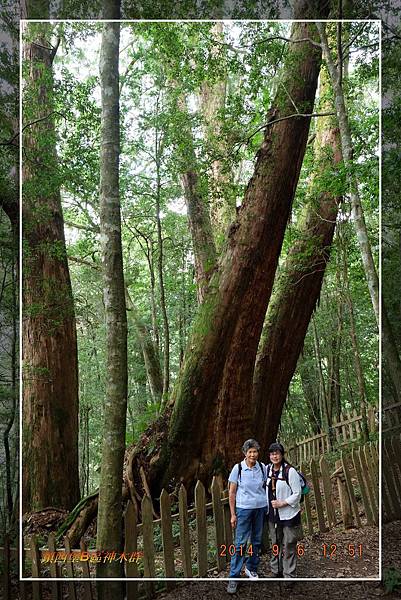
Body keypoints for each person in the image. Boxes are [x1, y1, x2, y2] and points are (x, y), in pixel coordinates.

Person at [226, 439, 267, 594]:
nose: (253, 454)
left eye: (255, 451)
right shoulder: (238, 469)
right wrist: (232, 514)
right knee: (240, 543)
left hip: (260, 509)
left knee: (256, 541)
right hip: (243, 510)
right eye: (250, 452)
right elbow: (232, 492)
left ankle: (251, 568)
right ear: (245, 453)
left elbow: (266, 486)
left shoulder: (262, 467)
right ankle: (234, 576)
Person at [266, 442, 303, 579]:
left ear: (282, 455)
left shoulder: (290, 471)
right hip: (272, 515)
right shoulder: (268, 470)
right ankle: (276, 570)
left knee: (288, 544)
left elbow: (297, 493)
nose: (274, 456)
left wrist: (283, 503)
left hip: (288, 515)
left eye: (277, 453)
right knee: (275, 543)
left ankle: (289, 574)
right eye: (272, 453)